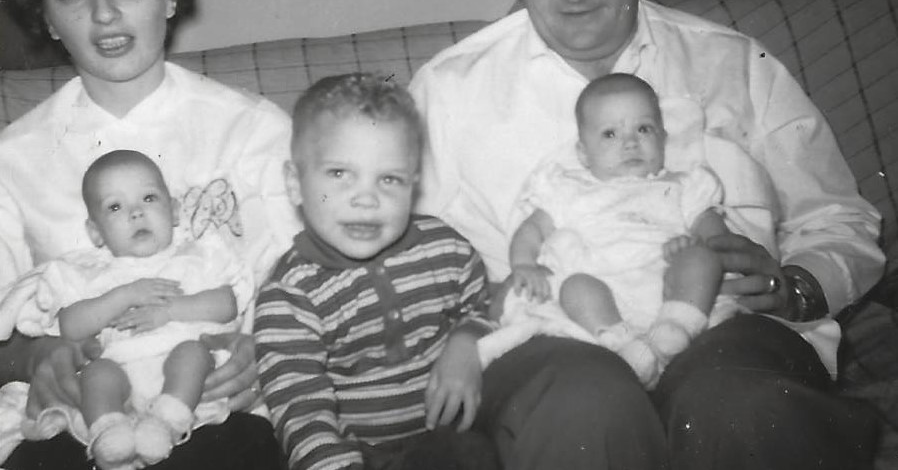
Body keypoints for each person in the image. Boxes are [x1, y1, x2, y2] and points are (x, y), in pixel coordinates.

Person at [409, 0, 884, 468]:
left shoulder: (737, 64)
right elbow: (402, 272)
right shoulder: (448, 91)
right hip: (553, 345)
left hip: (729, 331)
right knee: (585, 409)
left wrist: (798, 285)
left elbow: (842, 222)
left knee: (739, 405)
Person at [0, 0, 297, 470]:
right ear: (48, 19)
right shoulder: (14, 158)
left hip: (218, 411)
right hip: (69, 424)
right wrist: (32, 359)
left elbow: (305, 293)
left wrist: (260, 352)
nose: (104, 13)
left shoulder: (254, 130)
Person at [253, 73, 499, 470]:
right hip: (355, 454)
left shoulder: (444, 246)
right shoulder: (290, 295)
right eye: (339, 174)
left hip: (451, 438)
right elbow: (300, 410)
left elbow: (484, 304)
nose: (367, 198)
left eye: (389, 179)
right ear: (295, 184)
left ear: (413, 185)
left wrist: (467, 341)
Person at [11, 150, 254, 469]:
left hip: (187, 384)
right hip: (121, 378)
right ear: (95, 232)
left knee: (192, 353)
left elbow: (226, 305)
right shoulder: (90, 272)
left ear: (175, 210)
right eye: (115, 206)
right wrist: (124, 295)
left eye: (149, 198)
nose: (136, 213)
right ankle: (110, 432)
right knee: (97, 373)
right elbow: (70, 326)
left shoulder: (195, 258)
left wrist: (169, 311)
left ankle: (165, 422)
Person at [494, 73, 736, 387]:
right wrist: (524, 265)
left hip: (670, 290)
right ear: (583, 153)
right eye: (610, 134)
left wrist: (694, 245)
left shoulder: (681, 186)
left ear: (662, 137)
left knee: (703, 262)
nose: (630, 142)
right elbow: (531, 230)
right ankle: (623, 348)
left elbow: (718, 237)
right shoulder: (568, 190)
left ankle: (675, 330)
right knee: (575, 287)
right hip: (604, 293)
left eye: (643, 128)